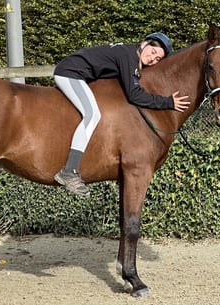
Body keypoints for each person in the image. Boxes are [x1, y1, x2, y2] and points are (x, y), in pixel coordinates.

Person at [53, 32, 190, 196]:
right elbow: (135, 95)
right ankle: (69, 171)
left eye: (158, 59)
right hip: (69, 73)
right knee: (92, 114)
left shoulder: (130, 54)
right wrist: (168, 102)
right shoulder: (129, 57)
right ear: (144, 44)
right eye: (153, 52)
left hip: (78, 75)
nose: (153, 59)